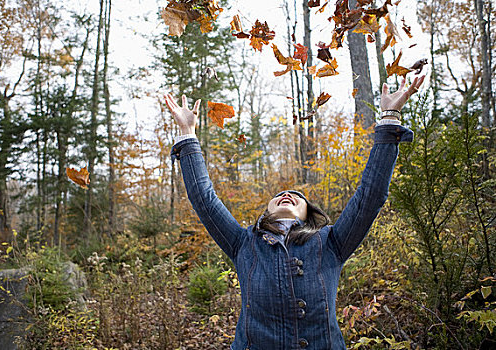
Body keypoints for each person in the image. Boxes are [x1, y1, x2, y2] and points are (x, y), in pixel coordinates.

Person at [164, 75, 425, 350]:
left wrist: (389, 119)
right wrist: (187, 136)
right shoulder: (244, 243)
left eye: (297, 198)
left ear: (307, 215)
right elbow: (205, 200)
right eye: (280, 196)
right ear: (267, 210)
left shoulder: (331, 243)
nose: (287, 195)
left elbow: (369, 197)